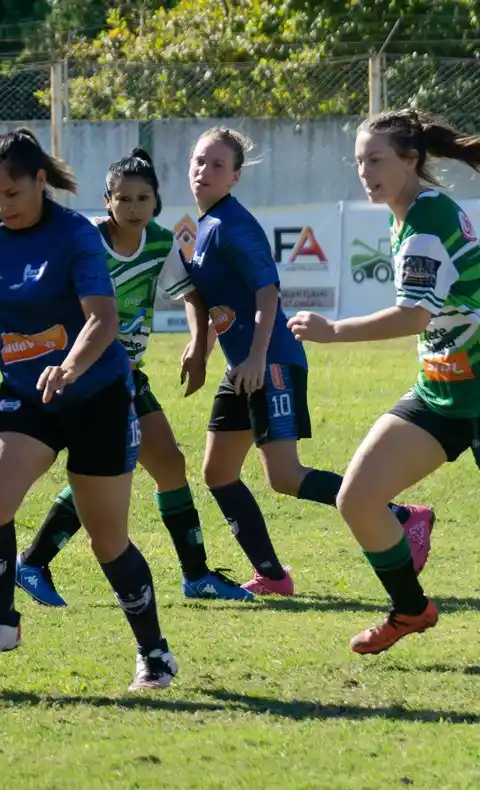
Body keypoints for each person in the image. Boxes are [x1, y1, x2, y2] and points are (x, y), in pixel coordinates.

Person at [0, 130, 177, 691]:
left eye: (11, 194)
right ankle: (3, 622)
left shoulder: (75, 234)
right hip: (27, 395)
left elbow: (103, 319)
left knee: (108, 540)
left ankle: (154, 653)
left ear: (38, 182)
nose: (0, 206)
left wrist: (71, 366)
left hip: (97, 394)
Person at [181, 127, 432, 597]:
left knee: (285, 475)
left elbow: (266, 293)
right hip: (243, 368)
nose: (204, 172)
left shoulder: (234, 225)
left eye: (217, 165)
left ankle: (403, 517)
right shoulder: (203, 229)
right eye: (199, 162)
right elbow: (206, 298)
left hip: (270, 362)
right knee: (218, 473)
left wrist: (256, 356)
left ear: (235, 177)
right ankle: (273, 576)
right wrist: (202, 348)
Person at [15, 148, 252, 606]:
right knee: (108, 473)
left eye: (143, 198)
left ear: (156, 201)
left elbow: (190, 296)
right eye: (123, 199)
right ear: (107, 201)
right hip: (86, 374)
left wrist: (198, 347)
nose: (134, 207)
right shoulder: (84, 240)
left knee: (164, 464)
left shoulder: (161, 243)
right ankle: (34, 562)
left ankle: (195, 575)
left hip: (126, 374)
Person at [290, 109, 480, 653]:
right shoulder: (407, 216)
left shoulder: (426, 219)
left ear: (410, 160)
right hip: (443, 388)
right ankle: (411, 610)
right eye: (359, 162)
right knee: (358, 498)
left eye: (376, 159)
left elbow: (412, 317)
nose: (365, 171)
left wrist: (332, 331)